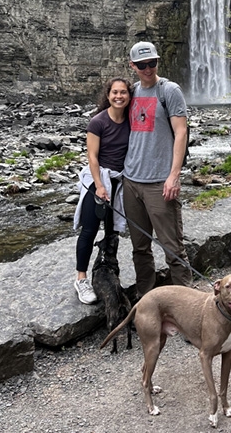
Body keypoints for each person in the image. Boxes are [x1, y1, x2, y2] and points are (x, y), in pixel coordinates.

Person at [123, 41, 192, 297]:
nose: (148, 68)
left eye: (152, 63)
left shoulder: (169, 91)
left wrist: (173, 176)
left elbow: (181, 132)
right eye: (142, 65)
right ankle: (147, 302)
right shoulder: (130, 92)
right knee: (140, 248)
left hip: (159, 183)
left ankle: (187, 308)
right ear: (132, 66)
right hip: (131, 181)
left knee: (173, 249)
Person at [73, 77, 132, 304]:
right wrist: (99, 186)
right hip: (98, 181)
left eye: (123, 92)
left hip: (118, 182)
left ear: (129, 96)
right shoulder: (97, 122)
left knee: (111, 233)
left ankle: (108, 272)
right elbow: (92, 157)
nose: (119, 96)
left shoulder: (131, 121)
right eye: (115, 92)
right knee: (89, 230)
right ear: (108, 95)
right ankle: (81, 279)